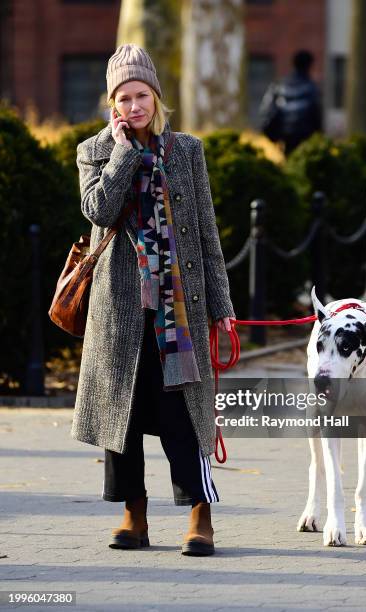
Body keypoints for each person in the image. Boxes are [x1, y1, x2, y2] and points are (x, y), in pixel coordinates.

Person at [70, 43, 235, 556]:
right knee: (125, 415)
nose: (134, 106)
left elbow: (206, 231)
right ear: (111, 103)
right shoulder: (93, 151)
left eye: (141, 95)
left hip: (178, 309)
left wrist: (222, 307)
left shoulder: (187, 150)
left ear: (156, 97)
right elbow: (98, 210)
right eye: (123, 98)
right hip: (119, 313)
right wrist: (123, 152)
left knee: (183, 414)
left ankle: (199, 515)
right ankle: (133, 515)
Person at [259, 49, 322, 156]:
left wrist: (274, 137)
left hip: (284, 137)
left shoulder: (279, 86)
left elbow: (266, 112)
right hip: (305, 138)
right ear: (309, 65)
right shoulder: (312, 88)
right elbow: (317, 116)